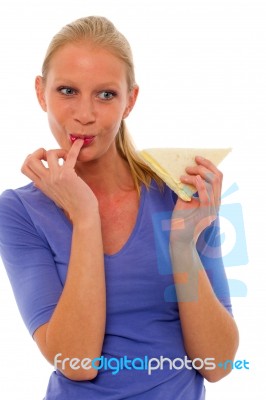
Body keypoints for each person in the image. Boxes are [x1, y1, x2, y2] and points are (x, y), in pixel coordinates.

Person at [0, 16, 239, 400]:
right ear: (41, 92)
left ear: (131, 99)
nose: (85, 114)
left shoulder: (181, 194)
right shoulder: (19, 211)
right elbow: (77, 362)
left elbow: (218, 364)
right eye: (67, 90)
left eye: (106, 95)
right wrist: (85, 216)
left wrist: (181, 244)